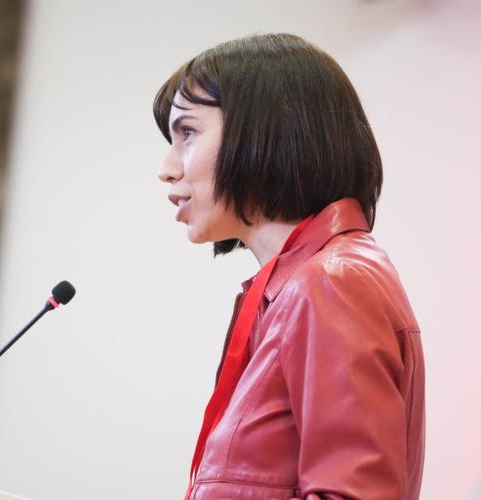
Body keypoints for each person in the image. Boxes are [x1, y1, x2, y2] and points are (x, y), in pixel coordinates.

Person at [154, 33, 424, 499]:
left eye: (188, 133)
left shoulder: (333, 282)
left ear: (269, 128)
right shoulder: (310, 281)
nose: (166, 168)